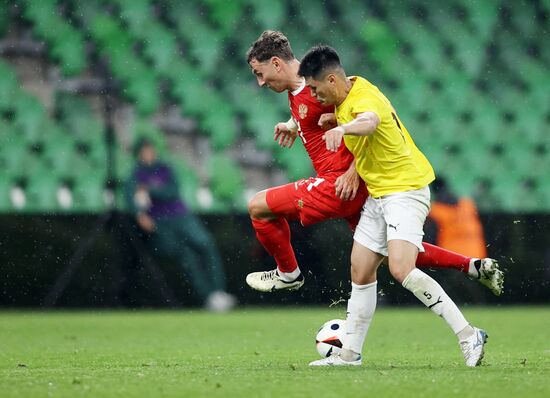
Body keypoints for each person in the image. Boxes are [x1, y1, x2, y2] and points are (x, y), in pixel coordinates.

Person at [245, 31, 503, 296]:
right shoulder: (304, 89)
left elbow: (371, 125)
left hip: (336, 183)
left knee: (258, 207)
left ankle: (288, 274)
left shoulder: (322, 88)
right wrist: (292, 125)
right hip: (346, 186)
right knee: (398, 250)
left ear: (277, 63)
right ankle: (474, 267)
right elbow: (315, 114)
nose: (260, 82)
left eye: (259, 73)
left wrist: (353, 170)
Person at [298, 44, 487, 367]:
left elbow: (370, 121)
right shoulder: (347, 90)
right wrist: (324, 124)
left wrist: (342, 128)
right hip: (379, 193)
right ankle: (349, 354)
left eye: (315, 89)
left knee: (402, 269)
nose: (314, 96)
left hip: (405, 191)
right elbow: (364, 130)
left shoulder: (363, 100)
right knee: (360, 268)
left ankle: (469, 334)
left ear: (331, 80)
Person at [125, 138, 236, 312]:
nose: (148, 155)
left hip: (180, 215)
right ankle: (209, 296)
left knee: (205, 245)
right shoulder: (136, 174)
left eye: (150, 150)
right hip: (160, 222)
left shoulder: (164, 168)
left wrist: (150, 190)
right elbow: (131, 198)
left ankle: (218, 291)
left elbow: (172, 191)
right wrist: (139, 214)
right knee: (185, 256)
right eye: (144, 151)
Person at [427, 178, 487, 258]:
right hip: (475, 255)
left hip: (453, 257)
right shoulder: (467, 204)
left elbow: (430, 238)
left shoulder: (435, 211)